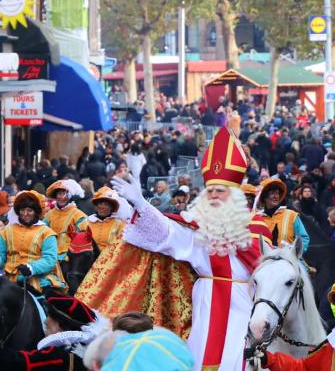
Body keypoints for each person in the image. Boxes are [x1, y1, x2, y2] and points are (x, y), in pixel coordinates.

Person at [109, 126, 267, 370]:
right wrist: (139, 203)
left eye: (221, 190)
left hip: (243, 302)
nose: (214, 195)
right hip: (206, 301)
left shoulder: (256, 225)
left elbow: (269, 268)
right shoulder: (197, 226)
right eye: (210, 189)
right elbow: (168, 234)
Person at [0, 294, 109, 371]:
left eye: (49, 317)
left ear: (61, 326)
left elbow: (13, 360)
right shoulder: (92, 354)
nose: (45, 320)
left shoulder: (61, 356)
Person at [0, 190, 67, 293]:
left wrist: (32, 268)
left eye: (29, 210)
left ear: (36, 212)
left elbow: (49, 260)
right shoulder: (8, 230)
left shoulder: (47, 233)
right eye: (22, 210)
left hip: (38, 281)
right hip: (9, 280)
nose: (25, 214)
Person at [43, 179, 89, 273]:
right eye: (58, 194)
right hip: (49, 257)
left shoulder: (78, 215)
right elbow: (41, 232)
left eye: (64, 194)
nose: (60, 197)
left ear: (70, 196)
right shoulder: (49, 214)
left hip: (69, 260)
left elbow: (83, 240)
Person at [258, 178, 310, 251]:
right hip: (267, 260)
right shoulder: (258, 218)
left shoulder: (291, 215)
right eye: (272, 193)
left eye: (277, 193)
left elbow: (304, 238)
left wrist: (294, 252)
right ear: (264, 197)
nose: (276, 196)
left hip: (289, 260)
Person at [85, 187, 125, 252]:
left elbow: (121, 247)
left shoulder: (119, 224)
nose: (103, 207)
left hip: (109, 260)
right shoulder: (87, 222)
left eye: (106, 204)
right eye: (100, 203)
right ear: (96, 206)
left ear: (111, 207)